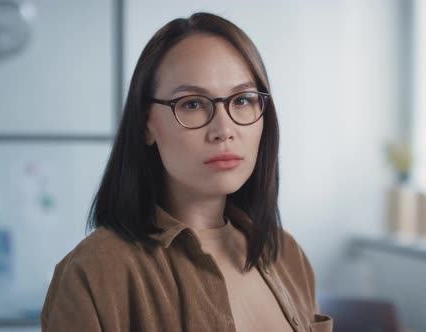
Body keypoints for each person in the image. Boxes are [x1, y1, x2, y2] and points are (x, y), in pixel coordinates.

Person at [40, 12, 333, 332]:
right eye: (192, 104)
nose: (224, 129)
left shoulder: (285, 253)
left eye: (243, 100)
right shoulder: (93, 273)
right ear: (146, 123)